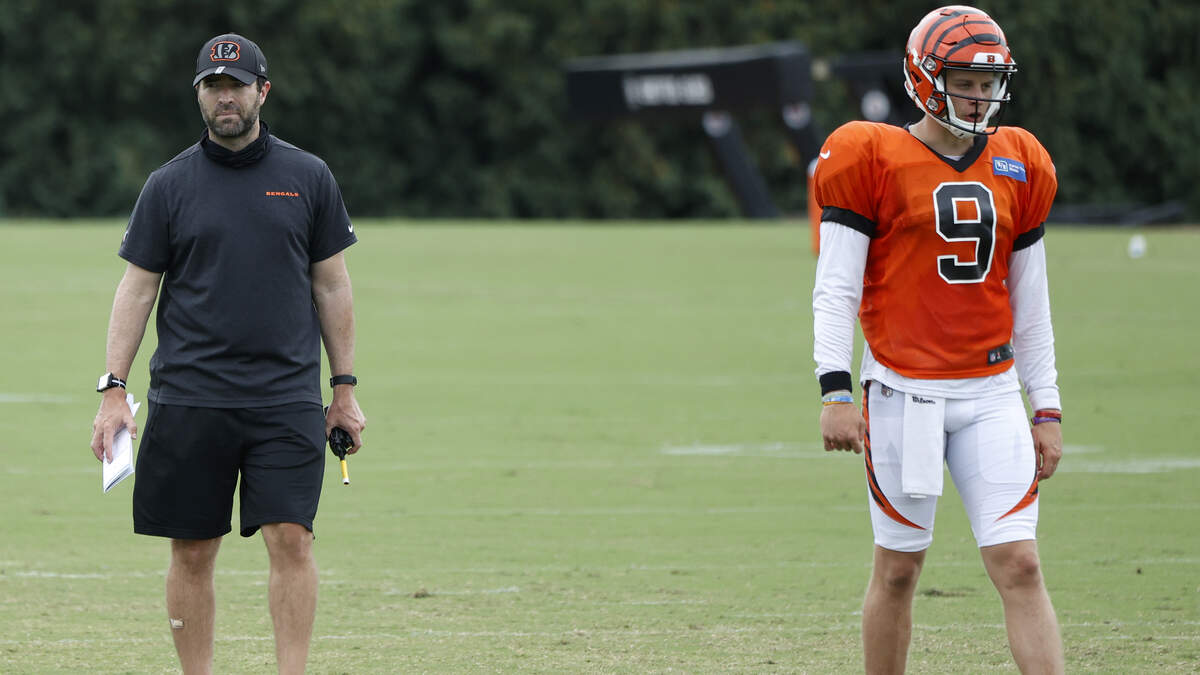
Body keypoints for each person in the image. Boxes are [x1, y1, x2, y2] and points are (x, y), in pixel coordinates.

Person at [89, 33, 366, 675]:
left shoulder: (308, 177)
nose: (225, 98)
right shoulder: (168, 185)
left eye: (236, 86)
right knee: (191, 550)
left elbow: (332, 285)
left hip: (285, 397)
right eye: (212, 87)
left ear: (262, 91)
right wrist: (112, 390)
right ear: (199, 96)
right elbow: (137, 288)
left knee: (291, 538)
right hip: (190, 397)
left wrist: (344, 389)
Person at [811, 6, 1065, 674]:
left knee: (1021, 562)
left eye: (988, 84)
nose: (978, 97)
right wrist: (835, 389)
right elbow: (836, 286)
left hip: (991, 392)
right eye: (965, 83)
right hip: (904, 392)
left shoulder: (1019, 160)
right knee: (898, 570)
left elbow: (1031, 302)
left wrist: (1046, 405)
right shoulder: (872, 155)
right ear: (925, 79)